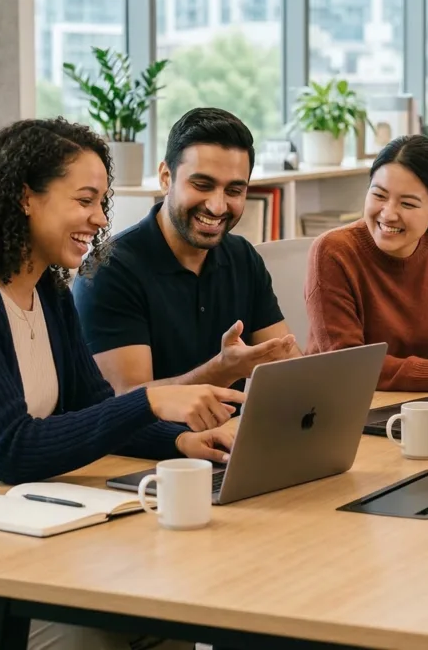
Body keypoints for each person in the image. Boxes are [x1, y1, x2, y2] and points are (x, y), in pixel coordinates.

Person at [0, 118, 244, 649]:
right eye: (85, 200)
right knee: (90, 640)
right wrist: (151, 401)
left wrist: (180, 440)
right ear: (25, 198)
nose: (99, 218)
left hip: (4, 528)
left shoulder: (50, 293)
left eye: (102, 203)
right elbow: (11, 449)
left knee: (166, 608)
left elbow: (92, 411)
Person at [72, 108, 298, 455]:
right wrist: (221, 371)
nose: (218, 205)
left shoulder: (242, 256)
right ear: (166, 177)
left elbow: (286, 363)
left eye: (234, 190)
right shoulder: (108, 269)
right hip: (143, 462)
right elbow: (123, 405)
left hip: (229, 447)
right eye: (202, 184)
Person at [304, 134, 428, 391]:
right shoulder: (333, 252)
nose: (388, 214)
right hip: (340, 404)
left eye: (407, 203)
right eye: (379, 195)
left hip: (421, 404)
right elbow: (349, 365)